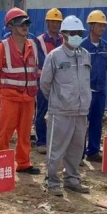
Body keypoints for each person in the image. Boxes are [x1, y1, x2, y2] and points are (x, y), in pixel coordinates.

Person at [40, 15, 92, 197]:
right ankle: (52, 181)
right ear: (63, 34)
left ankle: (72, 179)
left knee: (76, 149)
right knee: (55, 149)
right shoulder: (54, 56)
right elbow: (45, 83)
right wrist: (58, 100)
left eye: (79, 33)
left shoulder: (85, 55)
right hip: (60, 112)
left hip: (80, 111)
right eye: (73, 33)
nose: (76, 36)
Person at [0, 8, 41, 175]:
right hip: (10, 98)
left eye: (27, 23)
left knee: (25, 134)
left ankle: (24, 162)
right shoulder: (2, 48)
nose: (25, 26)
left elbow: (35, 70)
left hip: (28, 98)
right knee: (4, 133)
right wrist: (4, 91)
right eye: (20, 23)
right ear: (10, 26)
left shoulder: (33, 46)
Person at [32, 8, 64, 153]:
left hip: (60, 83)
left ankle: (56, 141)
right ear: (47, 22)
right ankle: (42, 141)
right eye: (53, 21)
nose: (55, 24)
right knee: (42, 111)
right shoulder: (39, 41)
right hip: (43, 82)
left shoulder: (64, 40)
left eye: (58, 22)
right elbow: (42, 61)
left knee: (59, 112)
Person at [82, 10, 107, 163]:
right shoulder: (82, 47)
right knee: (81, 123)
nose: (102, 28)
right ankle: (79, 153)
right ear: (91, 26)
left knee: (96, 122)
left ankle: (93, 151)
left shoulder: (106, 47)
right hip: (85, 91)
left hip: (100, 91)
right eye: (99, 25)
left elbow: (105, 67)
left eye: (104, 26)